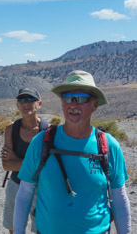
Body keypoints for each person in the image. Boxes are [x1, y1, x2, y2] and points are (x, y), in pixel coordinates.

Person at [13, 70, 130, 234]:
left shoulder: (108, 146)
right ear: (62, 103)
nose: (73, 104)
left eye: (82, 97)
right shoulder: (40, 143)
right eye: (67, 98)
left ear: (95, 104)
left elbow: (119, 198)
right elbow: (25, 193)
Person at [7, 87, 46, 232]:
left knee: (40, 228)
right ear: (17, 105)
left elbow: (47, 167)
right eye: (22, 100)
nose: (26, 103)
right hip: (16, 184)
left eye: (30, 99)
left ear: (39, 104)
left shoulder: (47, 131)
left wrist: (16, 160)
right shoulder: (11, 129)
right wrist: (36, 165)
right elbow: (6, 165)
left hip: (40, 188)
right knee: (13, 227)